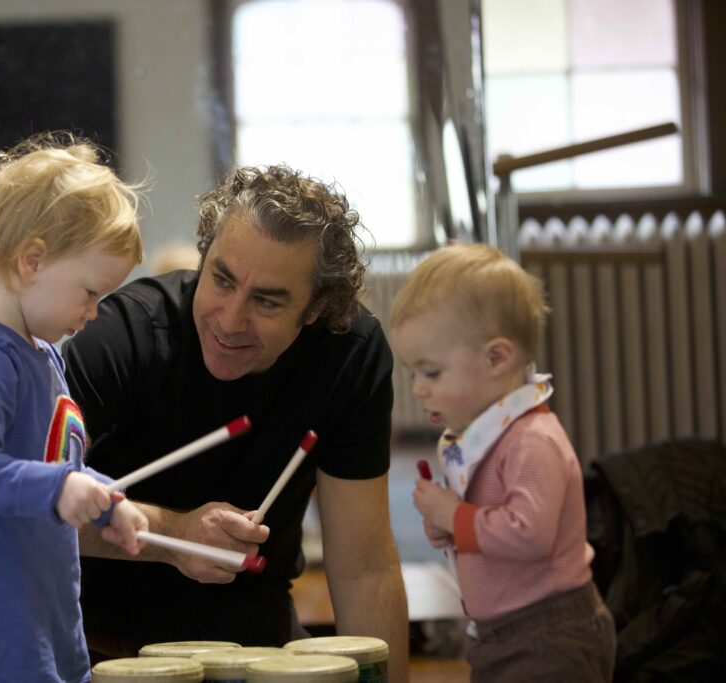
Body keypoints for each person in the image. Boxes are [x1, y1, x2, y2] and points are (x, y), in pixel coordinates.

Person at [64, 164, 410, 681]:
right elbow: (27, 508)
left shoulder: (348, 357)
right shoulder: (122, 337)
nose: (229, 320)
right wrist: (173, 533)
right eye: (221, 280)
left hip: (256, 633)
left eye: (266, 301)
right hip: (99, 634)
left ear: (316, 307)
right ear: (203, 257)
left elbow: (364, 566)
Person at [0, 133, 149, 683]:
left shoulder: (42, 353)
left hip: (43, 606)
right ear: (32, 262)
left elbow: (51, 465)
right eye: (90, 292)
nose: (94, 313)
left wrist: (102, 497)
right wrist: (62, 488)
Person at [389, 243, 616, 682]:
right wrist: (448, 526)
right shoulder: (486, 434)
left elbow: (529, 535)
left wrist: (455, 517)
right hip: (499, 632)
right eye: (413, 373)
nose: (418, 389)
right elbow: (487, 529)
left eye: (431, 372)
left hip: (549, 633)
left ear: (497, 358)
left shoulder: (532, 441)